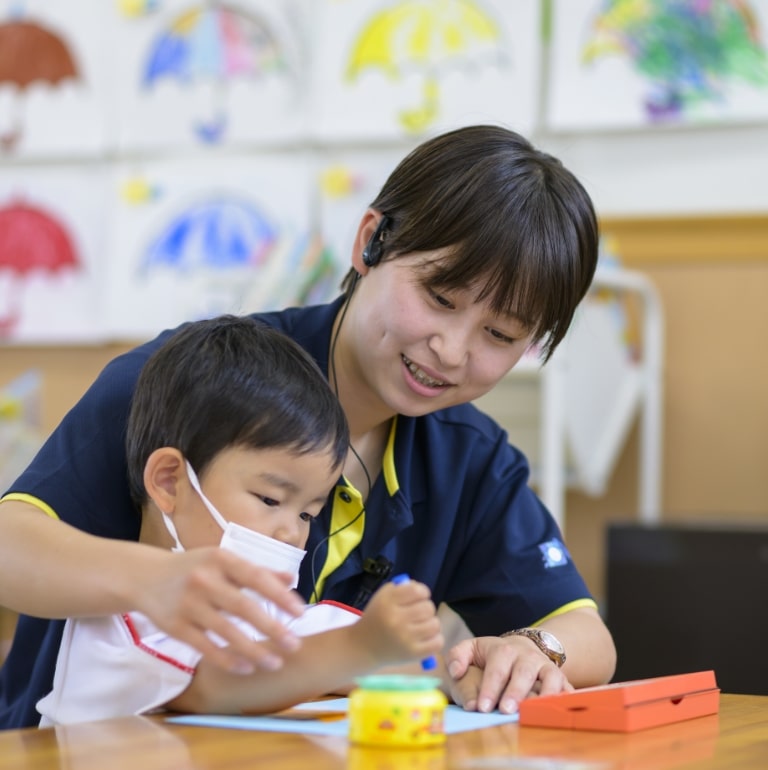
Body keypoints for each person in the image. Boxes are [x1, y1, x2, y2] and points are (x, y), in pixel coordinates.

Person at [0, 124, 616, 730]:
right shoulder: (194, 382)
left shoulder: (468, 455)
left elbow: (587, 635)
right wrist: (158, 582)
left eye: (500, 335)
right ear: (370, 242)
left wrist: (533, 650)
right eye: (440, 298)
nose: (451, 351)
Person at [35, 315, 443, 725]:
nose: (291, 532)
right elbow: (222, 684)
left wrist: (454, 666)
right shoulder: (125, 614)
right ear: (170, 481)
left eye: (307, 513)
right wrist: (362, 647)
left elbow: (336, 650)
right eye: (270, 499)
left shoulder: (259, 608)